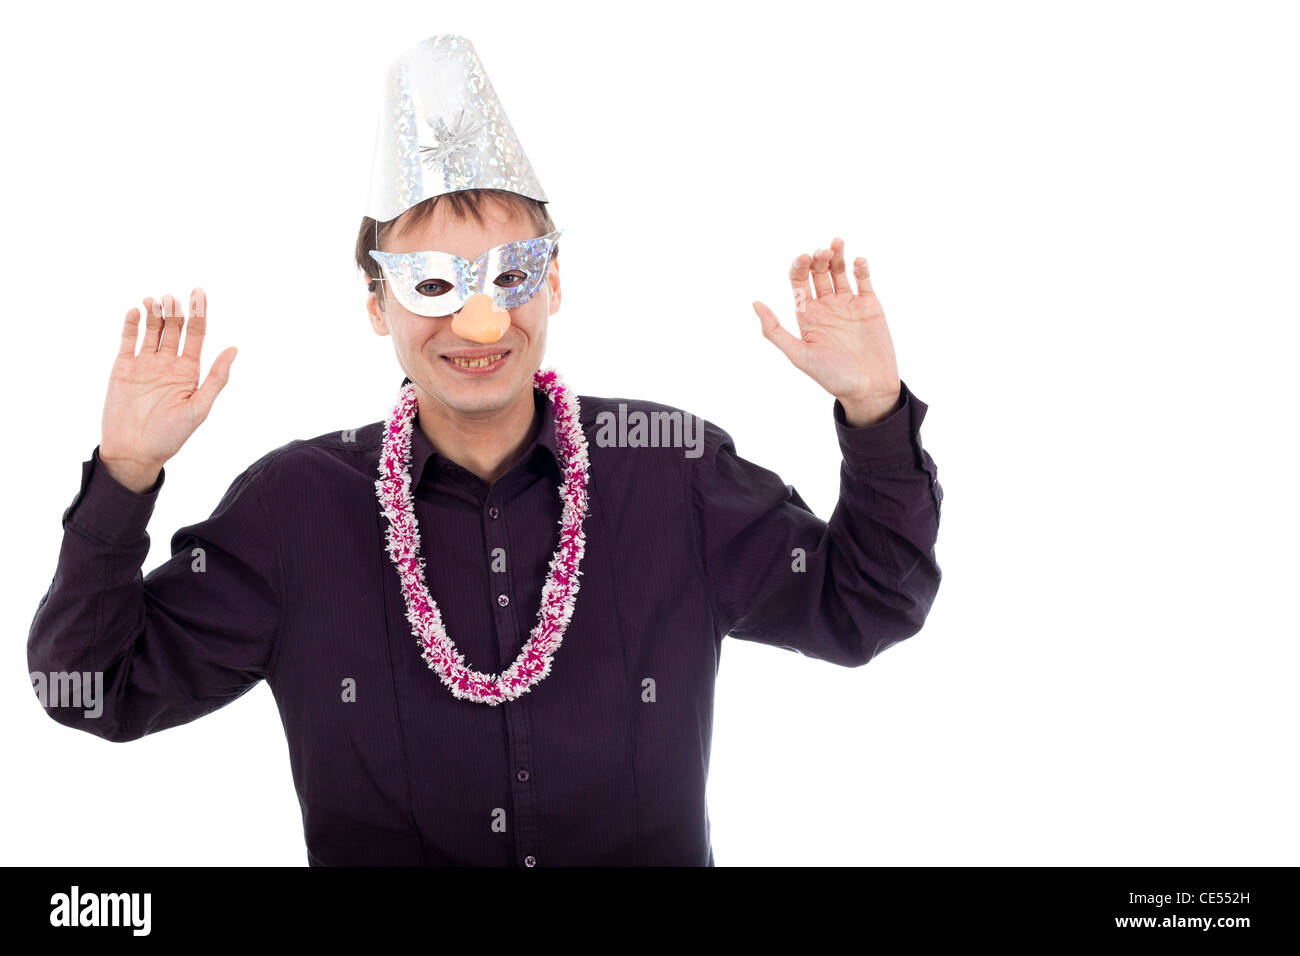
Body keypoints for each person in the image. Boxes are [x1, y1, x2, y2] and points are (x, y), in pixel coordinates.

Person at [27, 35, 943, 866]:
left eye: (512, 274)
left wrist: (873, 410)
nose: (481, 319)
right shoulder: (291, 512)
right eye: (432, 282)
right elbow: (87, 688)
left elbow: (867, 606)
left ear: (555, 285)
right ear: (378, 305)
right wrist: (124, 477)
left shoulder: (673, 471)